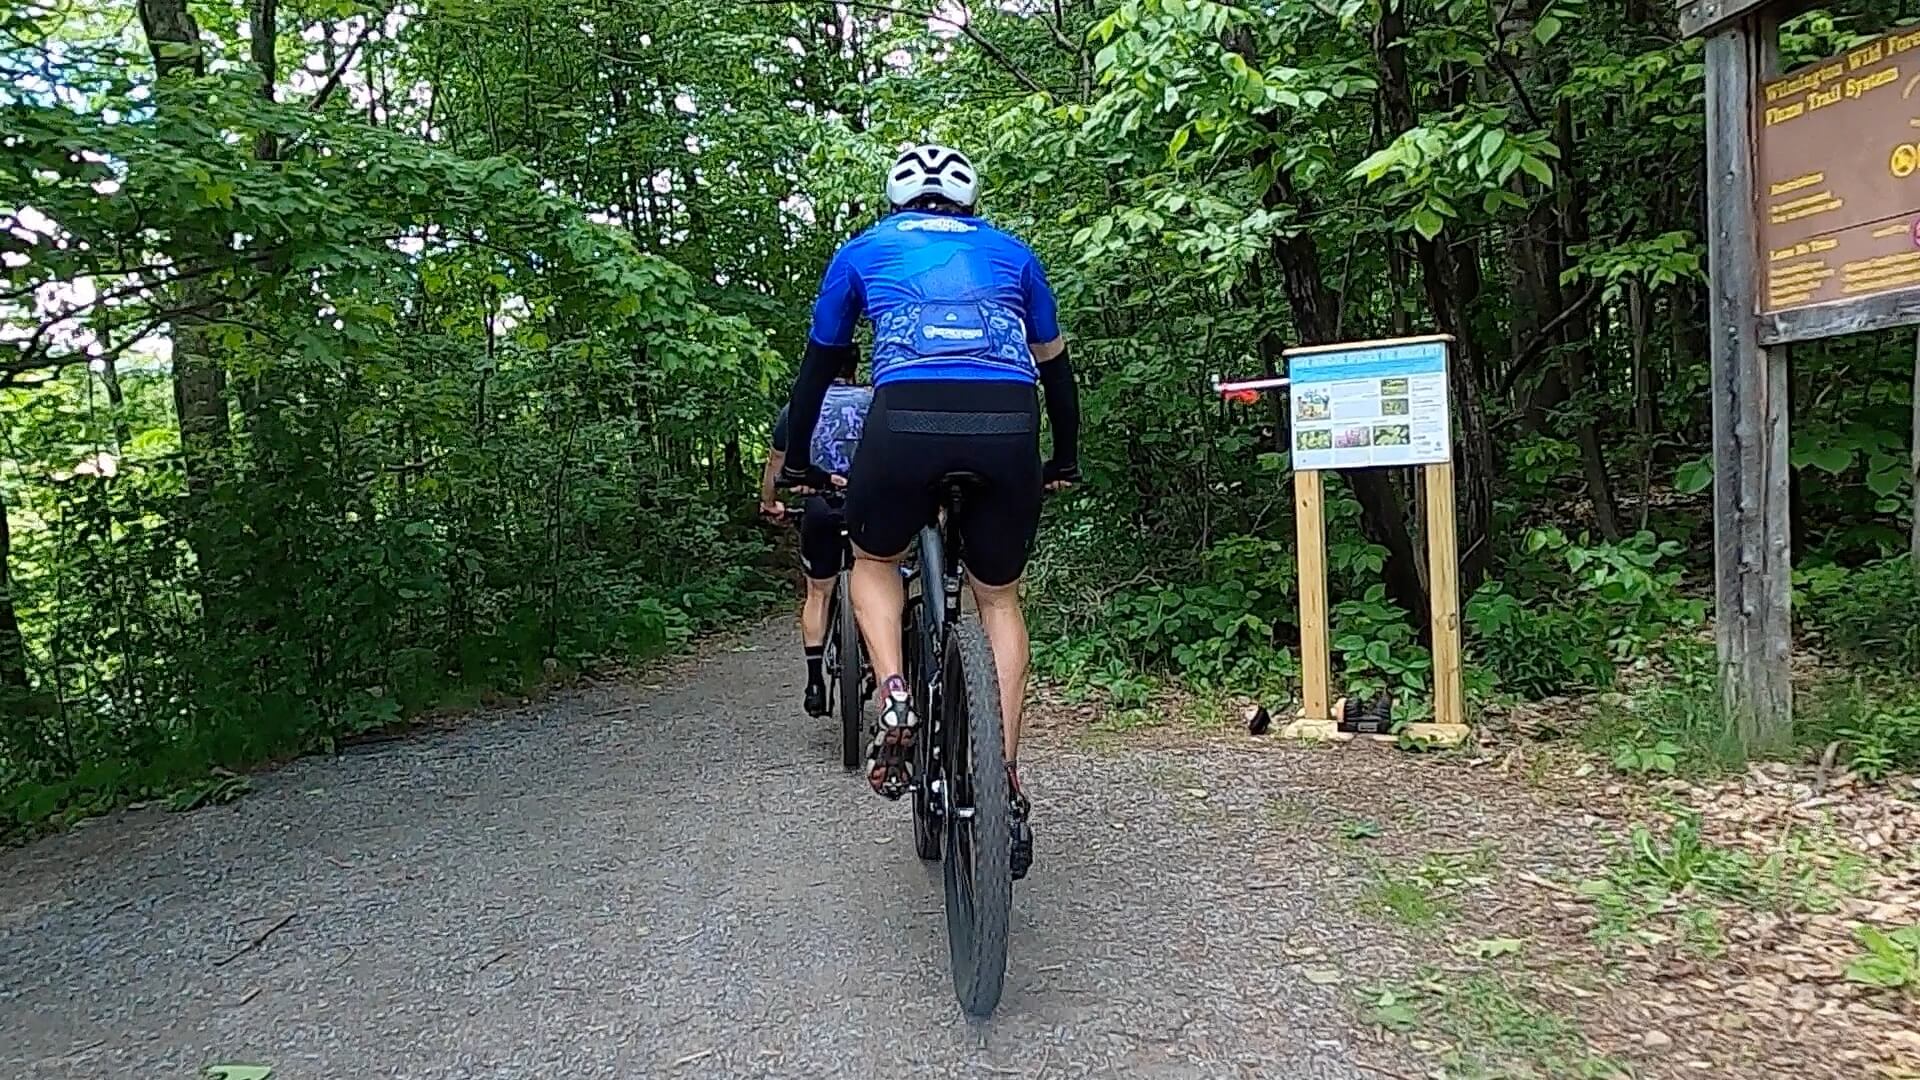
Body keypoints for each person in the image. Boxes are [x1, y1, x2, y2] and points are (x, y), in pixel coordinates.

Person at [781, 143, 1080, 881]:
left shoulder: (863, 249)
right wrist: (1064, 457)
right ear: (970, 202)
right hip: (1009, 422)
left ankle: (892, 691)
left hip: (905, 418)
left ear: (896, 201)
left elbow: (819, 368)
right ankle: (1003, 776)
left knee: (874, 561)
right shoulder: (1013, 252)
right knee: (999, 598)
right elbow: (1057, 371)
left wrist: (796, 460)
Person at [760, 350, 872, 718]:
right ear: (855, 369)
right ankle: (883, 658)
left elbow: (777, 465)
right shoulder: (874, 400)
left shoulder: (798, 407)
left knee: (817, 592)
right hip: (866, 506)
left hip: (819, 507)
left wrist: (770, 503)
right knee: (881, 576)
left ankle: (813, 681)